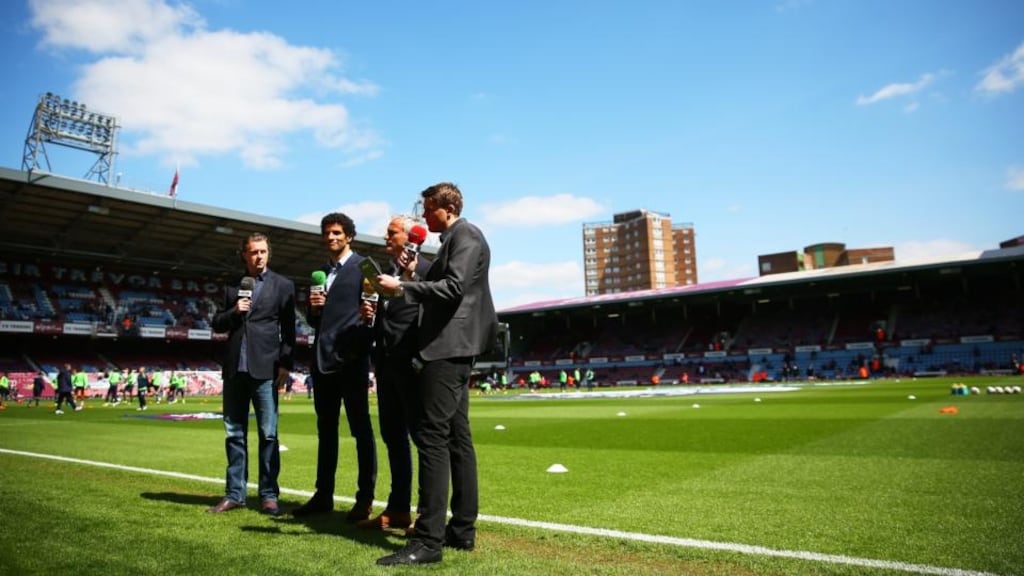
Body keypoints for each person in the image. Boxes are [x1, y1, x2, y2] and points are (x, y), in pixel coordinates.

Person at [376, 182, 498, 566]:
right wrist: (414, 275)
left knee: (431, 437)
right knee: (458, 438)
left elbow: (454, 287)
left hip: (448, 347)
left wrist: (404, 287)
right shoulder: (455, 238)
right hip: (455, 345)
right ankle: (461, 530)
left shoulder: (466, 235)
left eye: (428, 210)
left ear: (447, 207)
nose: (423, 217)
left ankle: (428, 541)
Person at [291, 213, 376, 522]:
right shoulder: (321, 272)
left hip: (352, 360)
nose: (331, 237)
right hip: (322, 361)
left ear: (349, 236)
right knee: (326, 432)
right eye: (327, 233)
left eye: (338, 232)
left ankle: (364, 499)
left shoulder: (366, 265)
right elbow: (317, 321)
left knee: (361, 432)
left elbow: (376, 312)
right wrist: (314, 310)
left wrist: (362, 341)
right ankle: (323, 495)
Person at [208, 232, 296, 516]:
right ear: (244, 255)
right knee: (234, 434)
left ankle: (269, 494)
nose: (259, 256)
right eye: (253, 252)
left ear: (268, 253)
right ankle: (235, 494)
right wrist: (235, 310)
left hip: (266, 369)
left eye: (263, 252)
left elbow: (290, 331)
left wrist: (285, 364)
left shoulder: (283, 285)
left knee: (268, 435)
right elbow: (217, 323)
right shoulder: (233, 286)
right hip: (235, 368)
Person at [356, 215, 432, 532]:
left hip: (412, 364)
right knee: (393, 437)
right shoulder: (386, 273)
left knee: (423, 440)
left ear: (409, 236)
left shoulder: (427, 269)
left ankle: (428, 515)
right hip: (386, 365)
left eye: (392, 232)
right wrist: (371, 315)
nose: (386, 237)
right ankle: (398, 508)